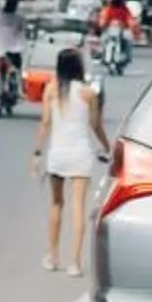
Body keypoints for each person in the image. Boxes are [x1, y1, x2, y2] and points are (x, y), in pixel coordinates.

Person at [34, 43, 107, 274]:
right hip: (80, 155)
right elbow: (96, 125)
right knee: (78, 207)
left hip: (58, 154)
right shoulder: (88, 93)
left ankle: (52, 256)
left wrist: (37, 152)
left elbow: (45, 123)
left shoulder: (51, 90)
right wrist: (107, 146)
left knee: (56, 204)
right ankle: (74, 262)